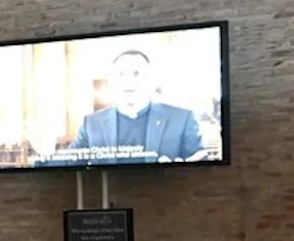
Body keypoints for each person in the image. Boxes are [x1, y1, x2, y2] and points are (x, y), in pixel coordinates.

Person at [65, 49, 206, 164]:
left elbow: (200, 162)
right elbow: (68, 161)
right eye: (121, 74)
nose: (128, 81)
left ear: (151, 79)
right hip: (106, 192)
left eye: (136, 74)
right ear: (111, 81)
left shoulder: (181, 119)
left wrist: (181, 169)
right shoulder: (92, 123)